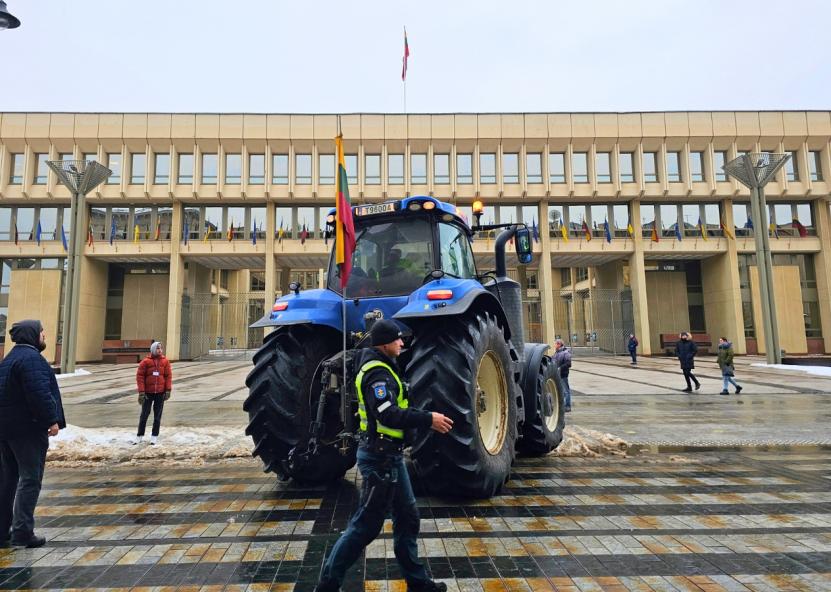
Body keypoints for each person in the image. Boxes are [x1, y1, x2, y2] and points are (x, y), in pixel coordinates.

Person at [315, 319, 453, 592]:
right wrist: (428, 419)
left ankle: (418, 583)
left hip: (390, 457)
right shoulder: (377, 373)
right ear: (385, 342)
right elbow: (387, 413)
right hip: (379, 460)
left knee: (408, 517)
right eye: (398, 339)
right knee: (366, 526)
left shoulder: (382, 366)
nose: (402, 343)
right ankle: (328, 585)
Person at [0, 320, 65, 549]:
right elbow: (39, 394)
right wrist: (51, 420)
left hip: (7, 431)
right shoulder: (31, 360)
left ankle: (3, 531)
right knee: (30, 479)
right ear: (32, 335)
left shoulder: (9, 359)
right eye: (42, 333)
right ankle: (23, 532)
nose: (44, 336)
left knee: (8, 481)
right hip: (27, 430)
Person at [132, 341, 172, 445]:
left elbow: (168, 376)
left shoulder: (165, 362)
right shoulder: (145, 362)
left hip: (160, 393)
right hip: (148, 393)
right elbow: (139, 377)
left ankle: (154, 436)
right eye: (158, 348)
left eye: (161, 348)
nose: (160, 350)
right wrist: (141, 392)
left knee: (157, 416)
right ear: (153, 349)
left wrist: (168, 390)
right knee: (144, 414)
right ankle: (139, 435)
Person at [553, 339, 572, 412]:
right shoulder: (556, 353)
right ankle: (562, 405)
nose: (554, 345)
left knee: (566, 391)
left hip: (563, 374)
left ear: (559, 344)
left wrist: (560, 368)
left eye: (555, 344)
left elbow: (568, 364)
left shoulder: (565, 353)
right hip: (557, 375)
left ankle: (567, 406)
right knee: (561, 391)